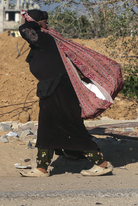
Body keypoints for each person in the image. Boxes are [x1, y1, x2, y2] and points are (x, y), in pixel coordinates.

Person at [18, 9, 113, 177]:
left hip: (60, 89)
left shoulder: (45, 38)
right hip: (51, 89)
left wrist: (35, 23)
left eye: (29, 20)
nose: (25, 23)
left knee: (71, 127)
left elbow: (25, 31)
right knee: (47, 128)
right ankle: (42, 168)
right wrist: (35, 23)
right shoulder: (41, 42)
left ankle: (102, 164)